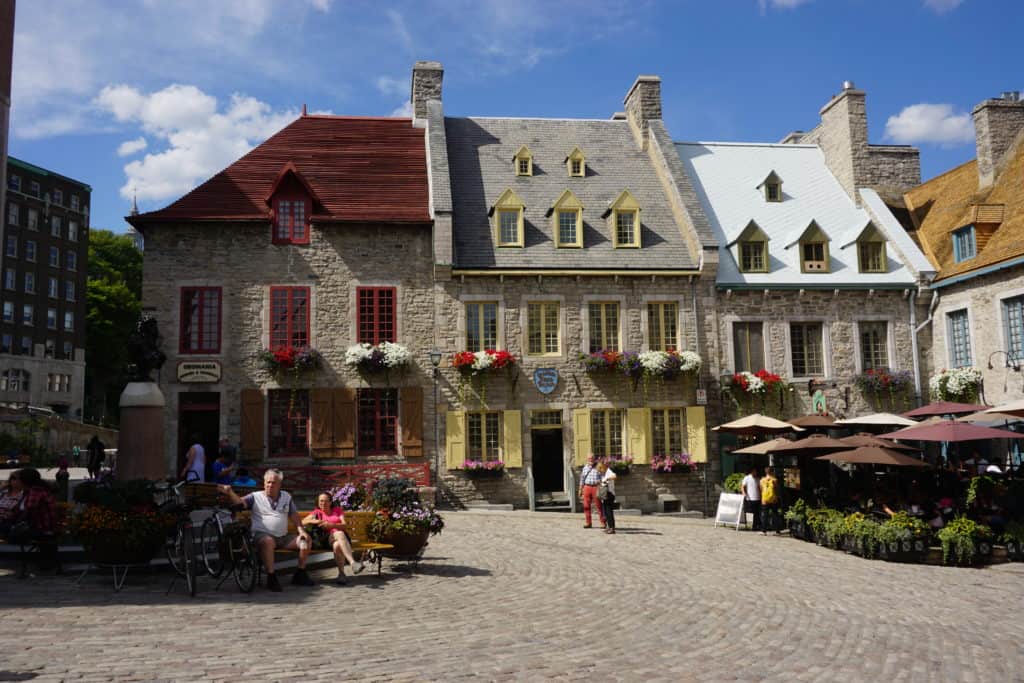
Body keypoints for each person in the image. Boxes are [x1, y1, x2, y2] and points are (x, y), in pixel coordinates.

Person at [218, 469, 313, 592]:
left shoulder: (286, 496)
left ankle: (300, 573)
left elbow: (294, 515)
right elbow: (240, 503)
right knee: (268, 541)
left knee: (306, 541)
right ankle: (271, 577)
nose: (270, 485)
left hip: (283, 537)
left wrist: (301, 531)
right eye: (268, 482)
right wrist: (230, 492)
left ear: (279, 485)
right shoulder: (255, 497)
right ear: (264, 483)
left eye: (273, 483)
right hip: (261, 536)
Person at [302, 492, 364, 584]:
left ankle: (341, 575)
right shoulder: (317, 512)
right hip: (326, 540)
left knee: (337, 545)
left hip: (342, 540)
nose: (323, 503)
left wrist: (332, 525)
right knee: (339, 533)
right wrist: (316, 521)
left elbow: (344, 525)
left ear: (330, 502)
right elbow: (303, 521)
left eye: (326, 501)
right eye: (321, 501)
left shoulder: (337, 510)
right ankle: (352, 562)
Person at [578, 454, 606, 529]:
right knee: (586, 506)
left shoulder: (598, 466)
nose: (590, 459)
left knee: (599, 505)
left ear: (594, 459)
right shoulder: (585, 468)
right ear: (587, 459)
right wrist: (580, 489)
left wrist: (601, 484)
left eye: (592, 458)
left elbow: (603, 477)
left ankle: (603, 522)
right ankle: (588, 522)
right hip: (587, 487)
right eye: (589, 458)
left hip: (596, 487)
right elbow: (582, 479)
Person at [597, 462, 617, 535]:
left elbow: (615, 476)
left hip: (610, 494)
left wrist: (607, 479)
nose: (599, 472)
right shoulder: (603, 474)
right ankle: (609, 527)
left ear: (602, 468)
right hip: (605, 495)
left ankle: (612, 528)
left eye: (600, 470)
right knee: (606, 512)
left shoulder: (608, 471)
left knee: (609, 512)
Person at [741, 466, 762, 532]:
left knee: (757, 513)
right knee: (752, 512)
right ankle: (753, 525)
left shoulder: (758, 479)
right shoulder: (747, 478)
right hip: (750, 498)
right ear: (752, 471)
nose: (755, 473)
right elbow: (742, 486)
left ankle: (755, 526)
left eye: (756, 472)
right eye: (754, 471)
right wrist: (744, 493)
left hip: (757, 498)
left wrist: (761, 495)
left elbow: (759, 488)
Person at [760, 468, 780, 534]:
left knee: (765, 515)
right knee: (775, 514)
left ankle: (764, 531)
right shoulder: (774, 480)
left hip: (765, 500)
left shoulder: (762, 480)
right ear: (772, 472)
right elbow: (777, 489)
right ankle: (777, 530)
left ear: (766, 472)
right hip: (773, 499)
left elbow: (761, 489)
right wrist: (776, 497)